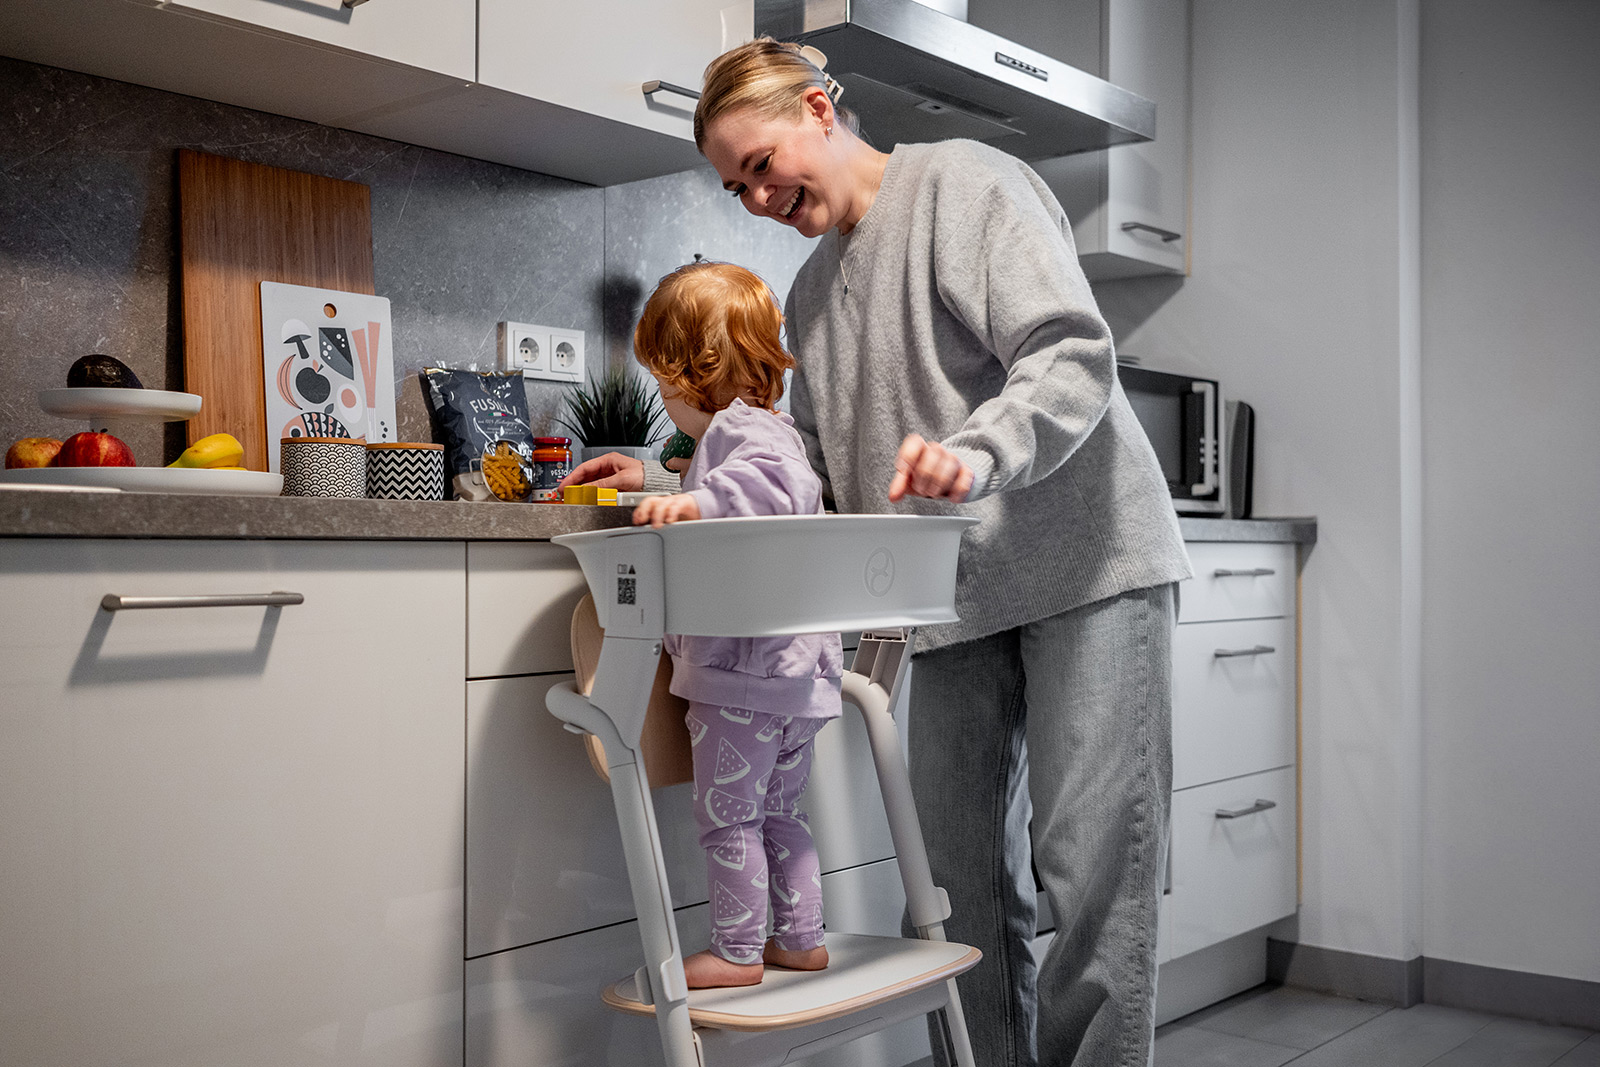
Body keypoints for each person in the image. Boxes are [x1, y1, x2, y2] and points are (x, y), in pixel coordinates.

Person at [563, 37, 1191, 1066]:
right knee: (956, 888)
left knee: (1087, 876)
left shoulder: (964, 186)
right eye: (735, 188)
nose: (756, 198)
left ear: (820, 108)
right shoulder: (810, 294)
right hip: (952, 595)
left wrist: (976, 454)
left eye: (761, 164)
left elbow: (1069, 349)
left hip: (1088, 565)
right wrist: (669, 480)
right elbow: (802, 468)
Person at [626, 259, 845, 990]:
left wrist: (694, 504)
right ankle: (802, 939)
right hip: (792, 680)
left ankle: (737, 950)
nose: (668, 409)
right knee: (782, 814)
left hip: (743, 680)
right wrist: (667, 484)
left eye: (665, 389)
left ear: (697, 373)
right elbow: (757, 480)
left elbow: (766, 488)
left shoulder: (739, 436)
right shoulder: (764, 430)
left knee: (729, 820)